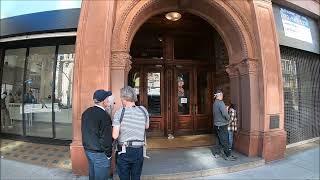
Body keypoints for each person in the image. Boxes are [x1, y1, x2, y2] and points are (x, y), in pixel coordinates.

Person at [112, 86, 149, 180]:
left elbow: (115, 135)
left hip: (124, 150)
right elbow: (146, 126)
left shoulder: (119, 112)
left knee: (124, 177)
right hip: (139, 149)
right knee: (136, 177)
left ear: (124, 98)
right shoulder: (143, 110)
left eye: (121, 97)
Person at [81, 89, 113, 180]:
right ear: (103, 101)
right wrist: (108, 154)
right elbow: (106, 138)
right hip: (100, 153)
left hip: (88, 150)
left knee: (93, 176)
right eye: (107, 98)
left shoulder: (86, 112)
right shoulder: (104, 115)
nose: (109, 100)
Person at [213, 89, 236, 161]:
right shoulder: (220, 102)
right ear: (219, 95)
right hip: (222, 124)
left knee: (218, 139)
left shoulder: (215, 103)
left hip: (217, 124)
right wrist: (229, 119)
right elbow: (225, 113)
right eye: (222, 95)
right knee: (225, 140)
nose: (222, 96)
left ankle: (217, 153)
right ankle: (228, 155)